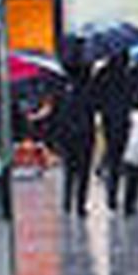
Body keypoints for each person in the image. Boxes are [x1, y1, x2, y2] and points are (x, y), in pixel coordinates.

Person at [46, 62, 98, 216]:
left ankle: (67, 202)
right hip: (85, 133)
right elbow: (96, 106)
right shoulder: (90, 87)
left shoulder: (60, 86)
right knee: (84, 171)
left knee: (70, 169)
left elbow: (55, 112)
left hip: (67, 133)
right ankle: (80, 205)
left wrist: (55, 135)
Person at [92, 52, 138, 213]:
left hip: (109, 121)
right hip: (127, 121)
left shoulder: (103, 74)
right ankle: (129, 202)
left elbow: (95, 98)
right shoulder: (131, 74)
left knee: (113, 159)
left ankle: (112, 196)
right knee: (132, 160)